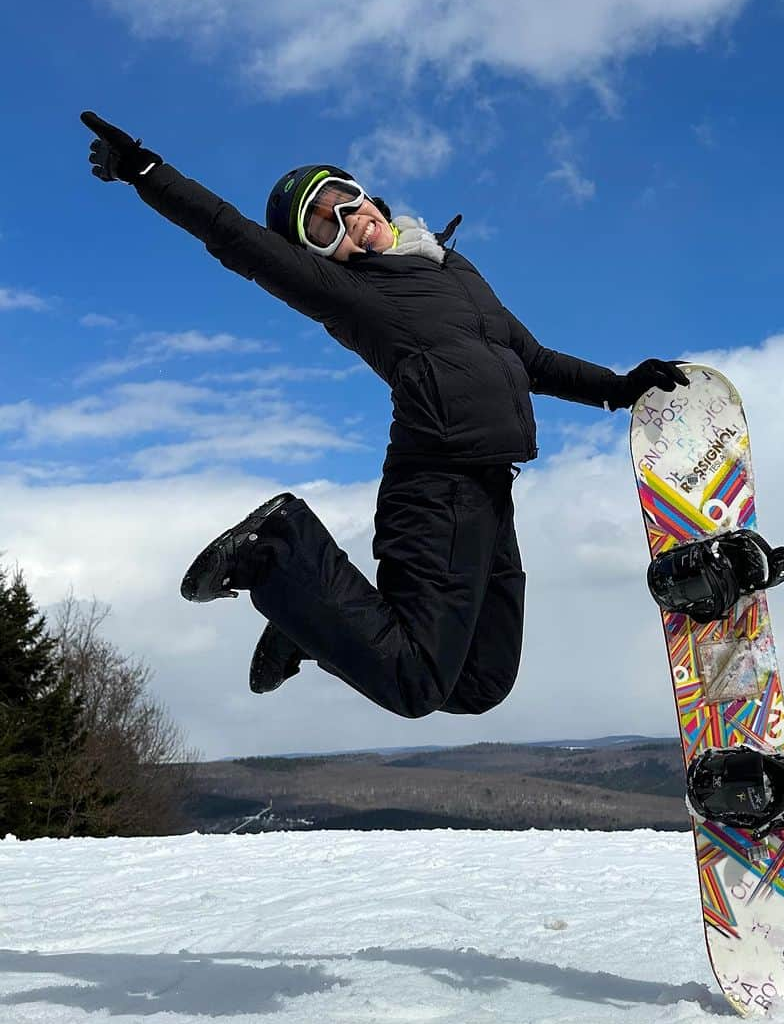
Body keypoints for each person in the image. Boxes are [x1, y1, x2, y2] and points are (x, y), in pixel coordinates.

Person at [80, 111, 689, 720]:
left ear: (371, 196)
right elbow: (234, 238)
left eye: (343, 199)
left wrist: (618, 388)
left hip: (491, 489)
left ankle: (311, 617)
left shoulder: (456, 273)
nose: (347, 220)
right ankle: (276, 550)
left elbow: (530, 358)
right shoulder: (350, 293)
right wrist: (147, 173)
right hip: (434, 485)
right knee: (414, 682)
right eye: (323, 229)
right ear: (319, 258)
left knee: (480, 683)